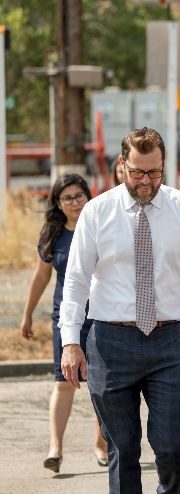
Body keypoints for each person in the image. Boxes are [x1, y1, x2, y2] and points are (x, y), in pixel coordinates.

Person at [59, 127, 180, 494]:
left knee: (172, 443)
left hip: (172, 340)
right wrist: (70, 341)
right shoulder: (97, 213)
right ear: (122, 166)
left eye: (154, 172)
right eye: (138, 172)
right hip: (110, 342)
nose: (147, 181)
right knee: (123, 449)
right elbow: (76, 281)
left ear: (163, 166)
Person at [20, 174, 108, 473]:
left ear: (88, 196)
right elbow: (42, 276)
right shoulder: (54, 233)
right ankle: (55, 449)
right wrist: (28, 312)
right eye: (67, 198)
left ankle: (101, 443)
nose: (74, 202)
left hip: (99, 316)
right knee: (63, 381)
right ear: (58, 203)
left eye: (79, 196)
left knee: (101, 383)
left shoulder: (99, 224)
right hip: (65, 318)